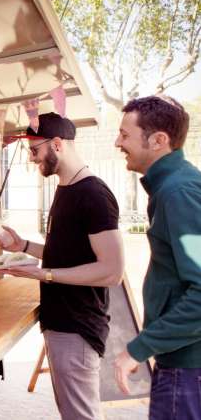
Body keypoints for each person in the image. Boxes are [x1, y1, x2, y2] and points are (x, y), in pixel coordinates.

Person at [1, 112, 124, 420]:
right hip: (62, 324)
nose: (31, 158)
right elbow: (68, 253)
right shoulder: (64, 188)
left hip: (77, 326)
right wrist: (24, 247)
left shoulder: (93, 194)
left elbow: (112, 271)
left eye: (34, 150)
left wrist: (45, 274)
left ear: (57, 144)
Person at [112, 95, 201, 420]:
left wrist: (138, 348)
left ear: (159, 140)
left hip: (187, 370)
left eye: (125, 135)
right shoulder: (174, 188)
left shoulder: (178, 194)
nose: (117, 142)